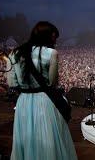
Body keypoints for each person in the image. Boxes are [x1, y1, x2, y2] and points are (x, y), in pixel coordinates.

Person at [7, 21, 77, 160]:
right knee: (47, 140)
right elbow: (52, 82)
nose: (55, 40)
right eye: (54, 37)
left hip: (23, 103)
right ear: (48, 36)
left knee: (26, 139)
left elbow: (11, 83)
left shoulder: (14, 54)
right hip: (44, 102)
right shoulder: (51, 53)